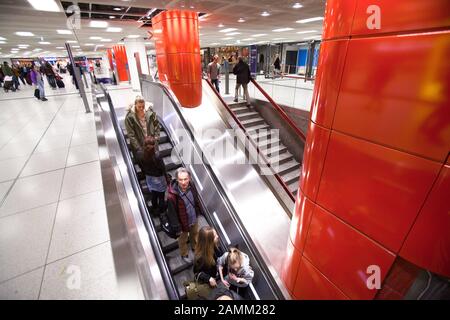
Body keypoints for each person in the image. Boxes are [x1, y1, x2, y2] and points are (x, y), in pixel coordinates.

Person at [167, 167, 203, 263]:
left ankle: (194, 247)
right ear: (177, 180)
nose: (183, 182)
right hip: (182, 223)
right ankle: (184, 254)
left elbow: (196, 199)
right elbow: (172, 214)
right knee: (182, 240)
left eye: (185, 179)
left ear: (189, 179)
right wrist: (177, 228)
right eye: (181, 180)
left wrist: (199, 210)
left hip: (193, 218)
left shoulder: (192, 185)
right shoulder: (172, 196)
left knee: (194, 234)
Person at [136, 136, 167, 214]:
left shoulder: (139, 154)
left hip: (149, 177)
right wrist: (166, 178)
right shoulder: (157, 155)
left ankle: (155, 209)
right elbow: (162, 169)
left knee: (154, 194)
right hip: (159, 178)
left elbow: (140, 165)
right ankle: (162, 211)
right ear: (154, 145)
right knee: (161, 196)